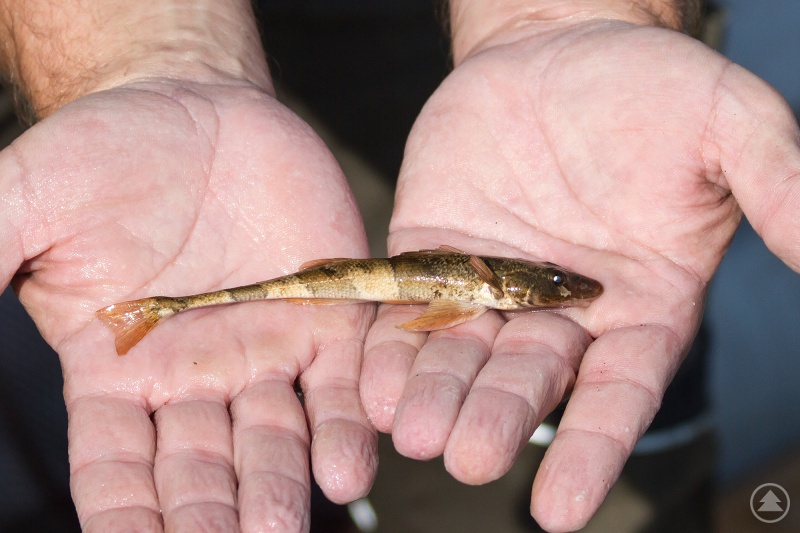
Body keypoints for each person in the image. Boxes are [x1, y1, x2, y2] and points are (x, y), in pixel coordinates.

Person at [0, 1, 798, 532]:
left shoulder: (491, 281)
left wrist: (564, 15)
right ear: (508, 290)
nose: (555, 294)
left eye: (550, 289)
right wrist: (138, 57)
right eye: (550, 289)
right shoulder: (486, 286)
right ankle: (166, 305)